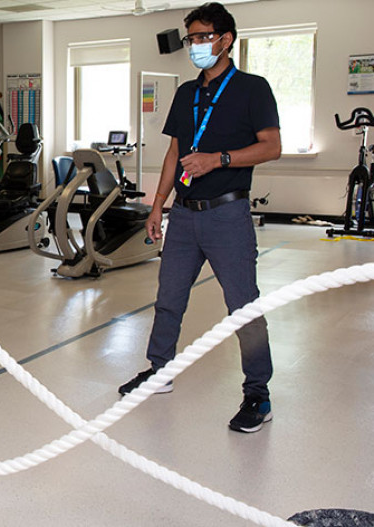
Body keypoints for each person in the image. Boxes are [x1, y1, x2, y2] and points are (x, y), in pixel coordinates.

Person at [117, 2, 281, 434]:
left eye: (203, 37)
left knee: (244, 307)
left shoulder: (252, 88)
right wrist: (158, 204)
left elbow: (271, 146)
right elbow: (175, 152)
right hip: (185, 216)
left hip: (227, 214)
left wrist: (218, 159)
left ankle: (257, 393)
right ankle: (160, 370)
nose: (195, 45)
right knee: (168, 298)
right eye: (191, 38)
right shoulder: (187, 94)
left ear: (226, 40)